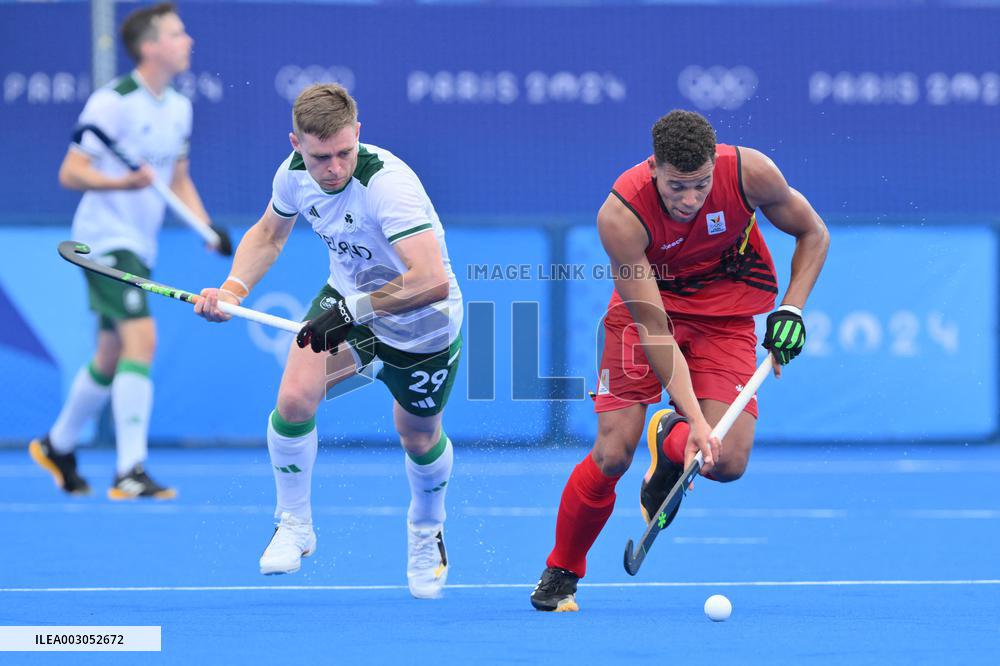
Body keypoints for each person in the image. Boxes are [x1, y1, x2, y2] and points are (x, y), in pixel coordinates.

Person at [531, 110, 829, 611]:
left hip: (726, 315)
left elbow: (813, 233)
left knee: (727, 462)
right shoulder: (622, 215)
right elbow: (654, 329)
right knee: (612, 453)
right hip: (647, 314)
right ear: (654, 170)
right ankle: (562, 568)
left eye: (700, 185)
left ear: (716, 164)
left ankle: (669, 445)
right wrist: (695, 417)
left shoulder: (750, 173)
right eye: (677, 187)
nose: (690, 199)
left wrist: (792, 309)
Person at [194, 83, 463, 599]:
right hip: (349, 301)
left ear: (357, 134)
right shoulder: (293, 176)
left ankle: (426, 532)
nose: (334, 168)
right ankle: (294, 526)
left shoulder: (389, 185)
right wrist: (232, 289)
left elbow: (431, 280)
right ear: (296, 143)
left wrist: (356, 311)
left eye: (344, 152)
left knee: (418, 436)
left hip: (424, 326)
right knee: (295, 398)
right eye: (320, 157)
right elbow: (269, 235)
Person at [30, 2, 228, 500]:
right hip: (102, 244)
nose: (188, 41)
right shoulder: (112, 102)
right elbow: (70, 172)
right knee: (143, 342)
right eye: (177, 34)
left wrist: (205, 228)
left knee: (111, 352)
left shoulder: (179, 107)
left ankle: (58, 444)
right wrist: (123, 182)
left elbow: (178, 180)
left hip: (141, 243)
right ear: (149, 47)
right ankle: (130, 470)